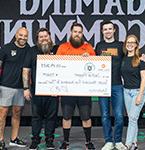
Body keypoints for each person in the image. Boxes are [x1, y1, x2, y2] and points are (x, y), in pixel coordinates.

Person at [56, 22, 95, 150]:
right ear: (71, 33)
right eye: (75, 32)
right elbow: (56, 67)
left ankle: (88, 142)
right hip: (67, 91)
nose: (77, 34)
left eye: (80, 32)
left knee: (86, 117)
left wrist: (89, 59)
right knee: (66, 117)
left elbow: (95, 68)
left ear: (82, 34)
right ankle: (66, 142)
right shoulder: (62, 47)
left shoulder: (88, 48)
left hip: (84, 91)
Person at [22, 27, 59, 150]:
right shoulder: (32, 51)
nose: (44, 38)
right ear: (37, 39)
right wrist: (26, 88)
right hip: (37, 90)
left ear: (50, 37)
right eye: (41, 37)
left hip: (53, 91)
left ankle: (49, 140)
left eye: (46, 36)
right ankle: (36, 139)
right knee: (36, 117)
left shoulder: (57, 49)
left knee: (51, 117)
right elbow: (26, 70)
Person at [95, 21, 127, 150]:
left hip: (117, 85)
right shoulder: (99, 45)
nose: (107, 31)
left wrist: (141, 58)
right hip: (102, 86)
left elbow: (131, 58)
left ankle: (118, 140)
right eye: (105, 29)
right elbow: (93, 63)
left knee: (119, 115)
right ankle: (108, 141)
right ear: (102, 32)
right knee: (104, 115)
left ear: (114, 30)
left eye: (110, 29)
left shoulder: (121, 45)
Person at [0, 27, 29, 150]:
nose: (23, 38)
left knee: (17, 113)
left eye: (25, 36)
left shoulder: (28, 50)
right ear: (16, 35)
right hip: (5, 86)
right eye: (20, 35)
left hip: (20, 88)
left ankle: (14, 139)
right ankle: (0, 140)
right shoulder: (6, 48)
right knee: (2, 114)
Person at [121, 35, 145, 150]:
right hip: (126, 91)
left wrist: (140, 95)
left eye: (132, 42)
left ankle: (127, 144)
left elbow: (144, 79)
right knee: (133, 118)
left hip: (138, 91)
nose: (130, 44)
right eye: (128, 42)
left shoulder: (141, 58)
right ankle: (134, 144)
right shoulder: (124, 58)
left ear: (136, 45)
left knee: (132, 118)